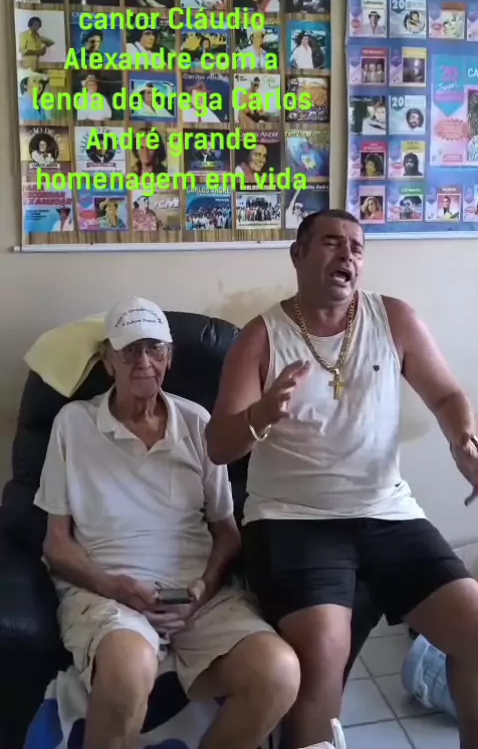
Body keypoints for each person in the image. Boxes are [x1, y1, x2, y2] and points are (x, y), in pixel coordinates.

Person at [205, 208, 478, 749]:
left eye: (356, 246)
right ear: (298, 255)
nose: (347, 254)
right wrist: (261, 414)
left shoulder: (393, 318)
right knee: (322, 654)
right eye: (331, 242)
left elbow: (448, 395)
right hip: (291, 519)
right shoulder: (261, 337)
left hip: (387, 511)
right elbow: (218, 446)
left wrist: (463, 440)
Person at [34, 297, 300, 749]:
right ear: (107, 361)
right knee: (127, 670)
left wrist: (203, 590)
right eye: (129, 351)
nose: (143, 362)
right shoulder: (73, 425)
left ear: (170, 358)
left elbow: (226, 531)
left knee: (278, 672)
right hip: (108, 595)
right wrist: (116, 587)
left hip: (197, 596)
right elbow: (56, 544)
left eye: (154, 349)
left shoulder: (197, 423)